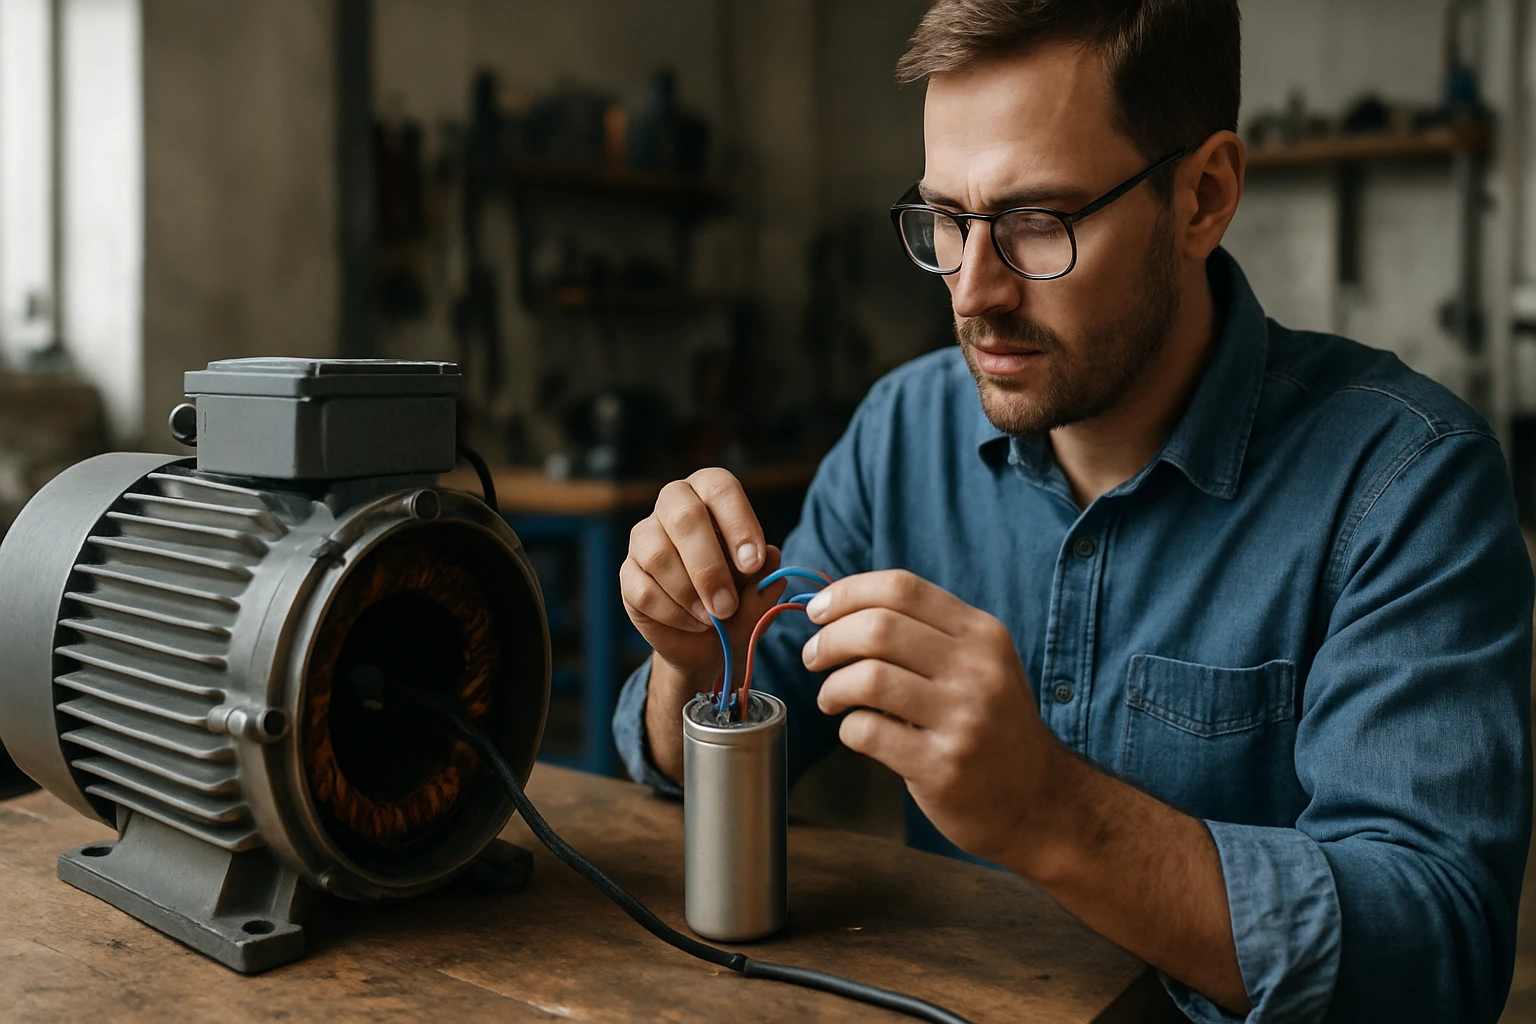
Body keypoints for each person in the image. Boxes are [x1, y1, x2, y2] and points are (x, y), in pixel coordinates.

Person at [610, 1, 1534, 1019]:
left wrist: (1049, 810)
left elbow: (1439, 957)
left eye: (1036, 223)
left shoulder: (1406, 485)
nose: (973, 291)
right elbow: (704, 770)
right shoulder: (901, 433)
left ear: (1204, 197)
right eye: (946, 221)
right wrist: (692, 665)